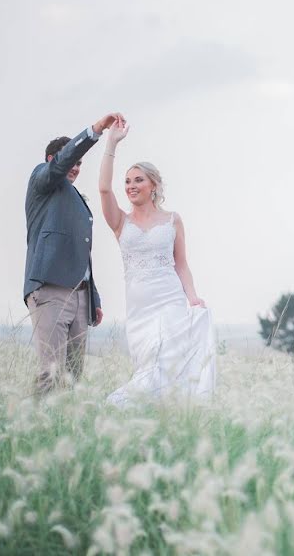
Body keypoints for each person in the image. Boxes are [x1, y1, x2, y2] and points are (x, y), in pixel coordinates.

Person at [97, 118, 215, 404]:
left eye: (138, 180)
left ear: (154, 186)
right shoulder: (120, 222)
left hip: (170, 301)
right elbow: (103, 189)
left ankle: (170, 413)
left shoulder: (173, 220)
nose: (131, 186)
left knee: (168, 362)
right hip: (139, 310)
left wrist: (193, 297)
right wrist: (111, 142)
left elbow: (181, 264)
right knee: (148, 365)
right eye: (127, 181)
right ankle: (132, 408)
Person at [24, 113, 122, 396]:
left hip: (80, 297)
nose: (75, 166)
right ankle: (35, 431)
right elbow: (61, 163)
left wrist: (94, 297)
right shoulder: (41, 183)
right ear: (50, 160)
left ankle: (64, 432)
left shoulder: (78, 201)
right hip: (51, 290)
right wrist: (96, 131)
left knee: (73, 378)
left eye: (79, 163)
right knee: (50, 374)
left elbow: (82, 253)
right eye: (70, 160)